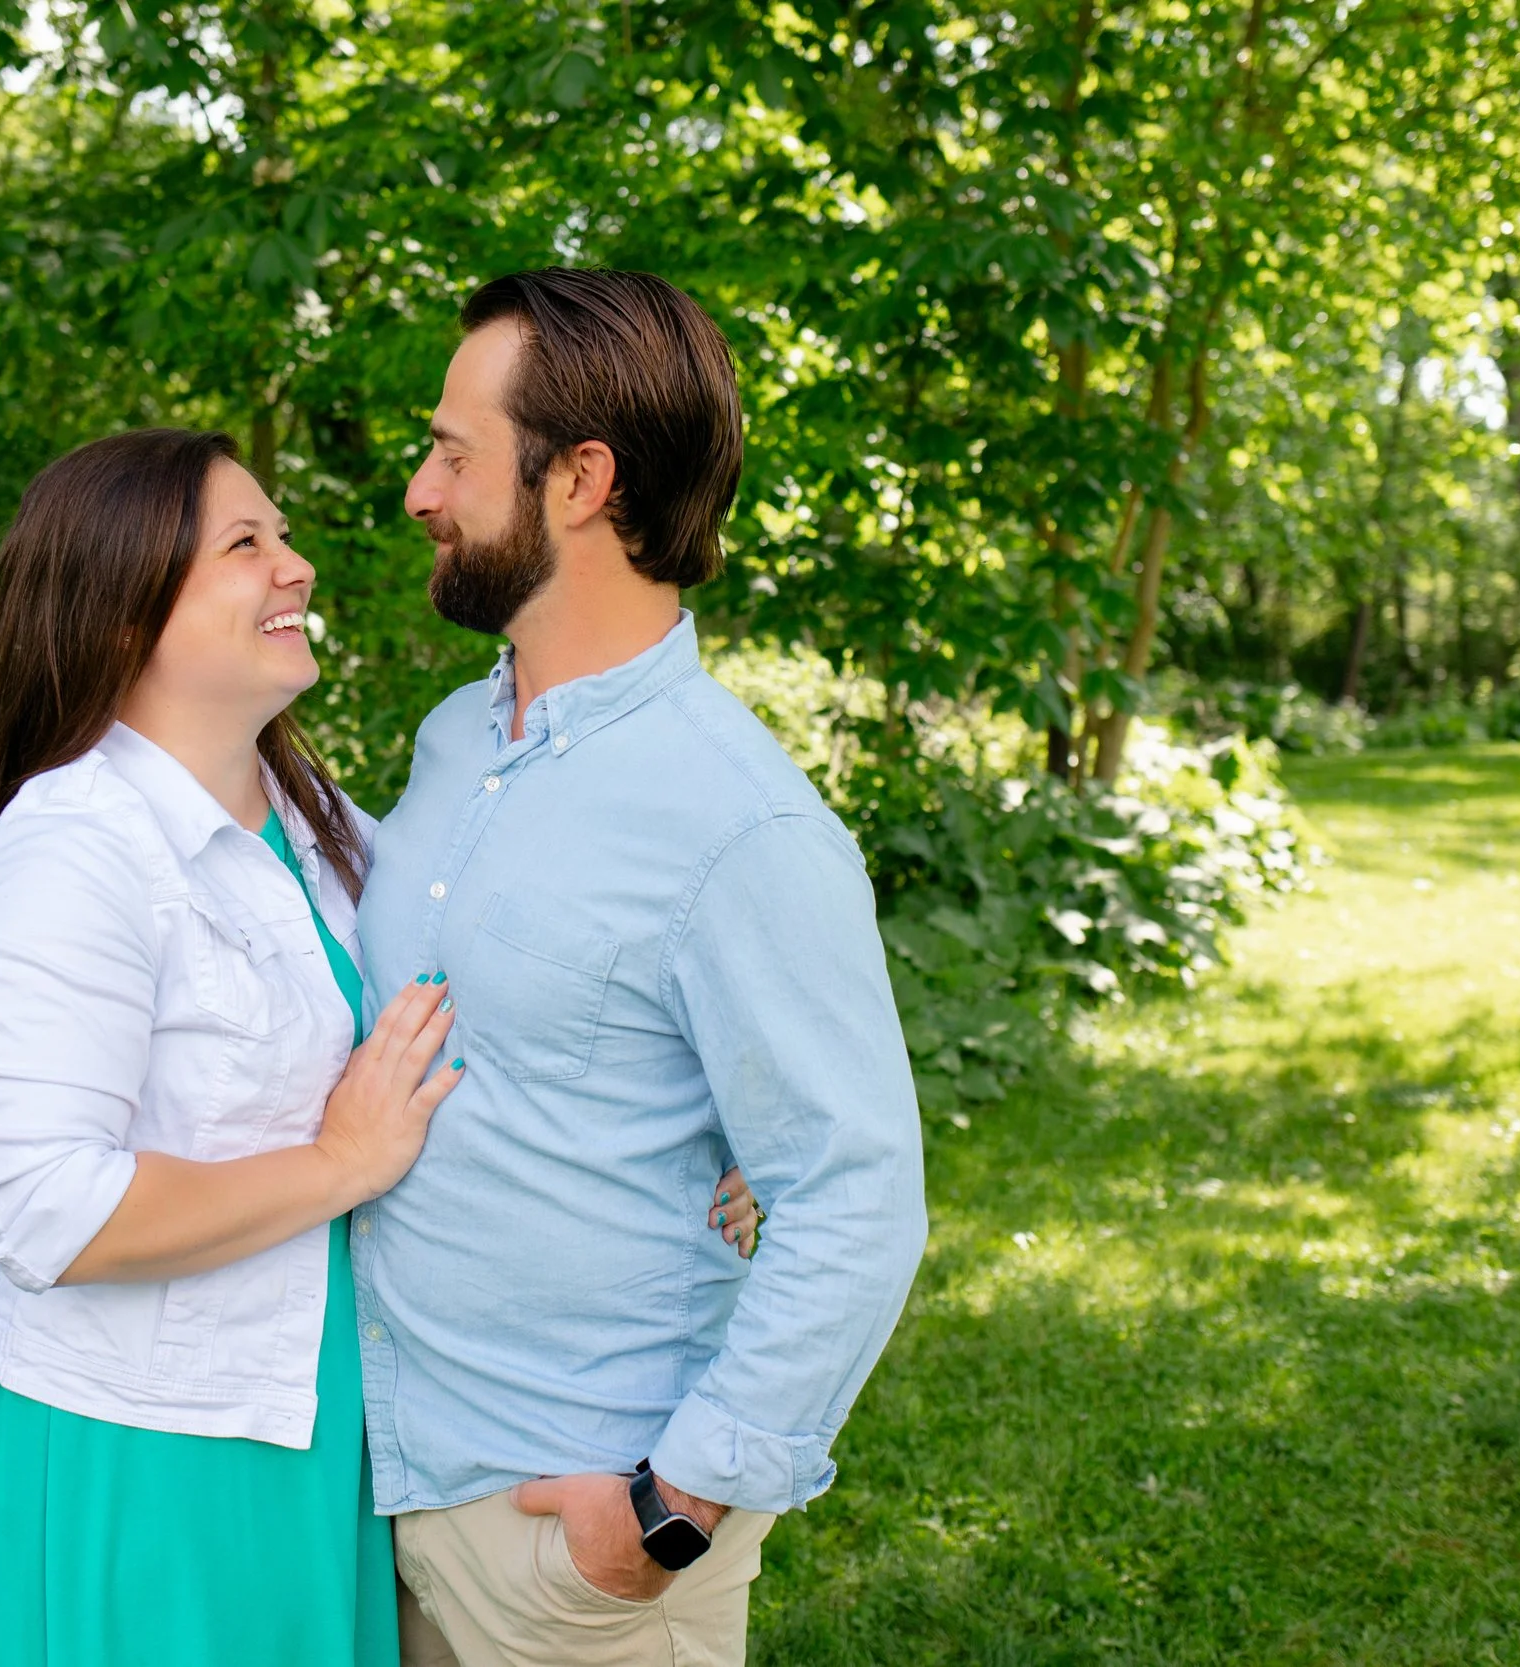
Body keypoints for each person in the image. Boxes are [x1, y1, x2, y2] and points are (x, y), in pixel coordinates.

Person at [0, 425, 757, 1667]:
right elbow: (48, 1211)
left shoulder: (321, 826)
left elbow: (515, 979)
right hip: (147, 1450)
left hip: (320, 1428)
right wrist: (335, 1166)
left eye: (284, 533)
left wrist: (707, 1127)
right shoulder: (70, 851)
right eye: (243, 543)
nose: (295, 564)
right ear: (123, 608)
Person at [353, 269, 929, 1667]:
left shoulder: (740, 822)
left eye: (453, 454)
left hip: (578, 1539)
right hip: (395, 1487)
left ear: (580, 480)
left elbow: (854, 1191)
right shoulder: (454, 739)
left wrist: (671, 1509)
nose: (422, 493)